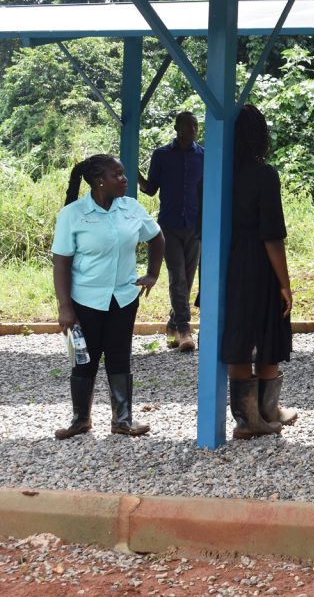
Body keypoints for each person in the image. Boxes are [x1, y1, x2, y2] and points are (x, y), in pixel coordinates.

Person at [52, 153, 165, 440]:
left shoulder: (131, 208)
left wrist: (152, 273)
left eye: (123, 173)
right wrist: (65, 307)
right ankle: (80, 420)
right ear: (99, 181)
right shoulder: (73, 214)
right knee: (83, 359)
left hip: (124, 298)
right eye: (117, 175)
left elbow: (156, 237)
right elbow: (61, 261)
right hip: (85, 301)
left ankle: (123, 420)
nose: (124, 179)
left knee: (119, 356)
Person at [221, 104, 297, 440]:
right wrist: (285, 283)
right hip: (257, 263)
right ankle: (262, 413)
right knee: (269, 329)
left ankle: (252, 415)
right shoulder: (264, 175)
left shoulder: (212, 173)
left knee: (237, 334)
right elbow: (271, 235)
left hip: (224, 261)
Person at [138, 111, 203, 352]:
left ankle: (172, 324)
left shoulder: (204, 155)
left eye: (195, 124)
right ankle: (184, 329)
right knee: (177, 275)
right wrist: (135, 175)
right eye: (188, 125)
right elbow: (150, 189)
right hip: (169, 225)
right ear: (177, 128)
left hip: (195, 225)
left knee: (188, 276)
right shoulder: (162, 155)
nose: (193, 129)